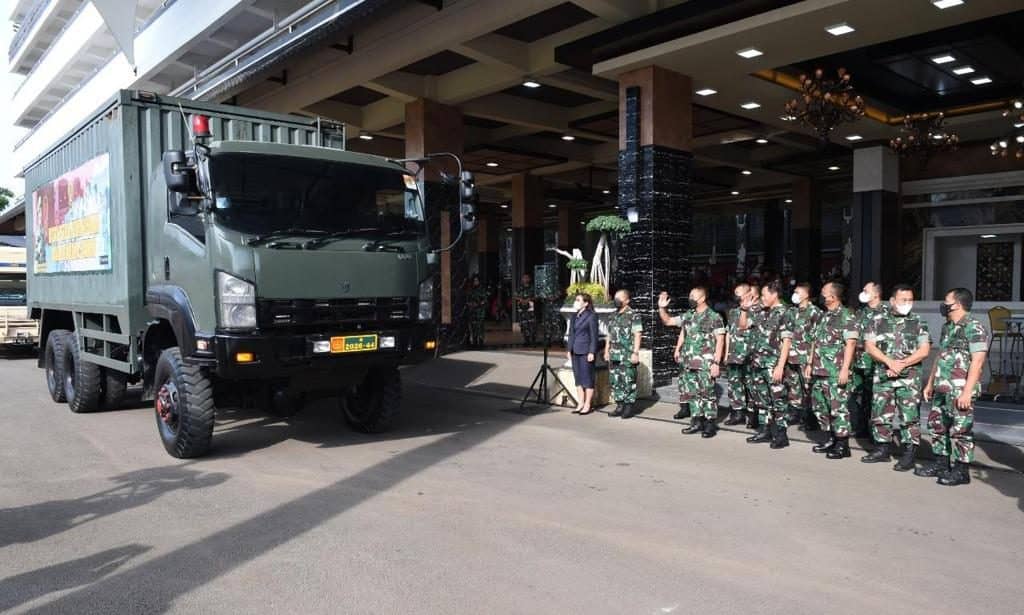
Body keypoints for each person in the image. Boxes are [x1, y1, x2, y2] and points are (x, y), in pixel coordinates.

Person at [916, 288, 989, 486]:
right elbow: (941, 355)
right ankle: (941, 464)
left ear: (957, 304)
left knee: (961, 431)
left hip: (960, 390)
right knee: (937, 427)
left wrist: (967, 392)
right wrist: (930, 382)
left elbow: (978, 361)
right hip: (942, 387)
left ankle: (961, 471)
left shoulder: (974, 327)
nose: (944, 304)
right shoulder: (947, 326)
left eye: (946, 301)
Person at [861, 284, 931, 470]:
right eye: (903, 300)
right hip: (884, 376)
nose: (907, 303)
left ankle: (909, 454)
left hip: (909, 378)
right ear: (892, 301)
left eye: (910, 300)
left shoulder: (918, 321)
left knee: (909, 417)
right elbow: (870, 346)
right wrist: (889, 362)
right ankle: (882, 448)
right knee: (881, 413)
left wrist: (901, 364)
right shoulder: (877, 320)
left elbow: (924, 350)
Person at [661, 288, 726, 438]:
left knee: (707, 393)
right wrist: (662, 308)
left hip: (705, 363)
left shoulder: (714, 317)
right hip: (688, 361)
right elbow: (669, 321)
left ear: (702, 298)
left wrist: (717, 362)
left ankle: (710, 423)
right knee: (692, 393)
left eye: (693, 296)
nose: (690, 298)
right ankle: (696, 421)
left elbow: (720, 341)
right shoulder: (688, 315)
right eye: (690, 295)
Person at [804, 281, 859, 459]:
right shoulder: (823, 316)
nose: (821, 294)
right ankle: (830, 438)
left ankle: (842, 444)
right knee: (820, 406)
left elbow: (850, 344)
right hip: (819, 371)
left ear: (833, 296)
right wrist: (810, 364)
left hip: (835, 371)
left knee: (838, 408)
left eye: (824, 292)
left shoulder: (846, 316)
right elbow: (814, 342)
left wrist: (845, 369)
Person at [743, 280, 793, 448]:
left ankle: (781, 434)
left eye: (764, 295)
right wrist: (744, 309)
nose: (762, 298)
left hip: (773, 363)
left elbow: (787, 341)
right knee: (762, 399)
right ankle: (765, 430)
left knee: (778, 400)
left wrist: (780, 366)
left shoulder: (785, 313)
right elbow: (742, 326)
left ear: (774, 294)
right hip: (757, 362)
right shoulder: (760, 311)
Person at [784, 282, 821, 430]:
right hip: (792, 356)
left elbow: (816, 338)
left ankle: (810, 417)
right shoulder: (792, 312)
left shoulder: (815, 312)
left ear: (806, 294)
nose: (795, 294)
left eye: (797, 292)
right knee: (793, 386)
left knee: (808, 388)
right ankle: (795, 413)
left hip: (806, 356)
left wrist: (812, 360)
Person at [851, 282, 886, 437]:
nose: (863, 293)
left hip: (875, 362)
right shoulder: (861, 312)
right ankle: (862, 427)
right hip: (859, 361)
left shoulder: (887, 312)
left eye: (866, 291)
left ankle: (876, 431)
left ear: (876, 294)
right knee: (860, 395)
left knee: (875, 397)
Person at [604, 289, 643, 419]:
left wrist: (635, 353)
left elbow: (637, 334)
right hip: (614, 354)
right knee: (615, 380)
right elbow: (609, 335)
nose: (616, 300)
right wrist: (606, 350)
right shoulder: (612, 315)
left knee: (628, 380)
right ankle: (619, 405)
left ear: (627, 300)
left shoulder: (633, 315)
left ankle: (628, 407)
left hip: (627, 354)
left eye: (619, 298)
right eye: (615, 297)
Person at [722, 283, 754, 426]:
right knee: (734, 385)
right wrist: (727, 353)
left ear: (748, 293)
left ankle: (753, 415)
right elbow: (729, 333)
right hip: (734, 354)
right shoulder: (733, 312)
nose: (736, 296)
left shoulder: (757, 310)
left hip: (748, 355)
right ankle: (737, 413)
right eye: (735, 293)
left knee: (751, 385)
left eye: (739, 293)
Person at [567, 293, 598, 415]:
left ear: (586, 303)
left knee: (587, 379)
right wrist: (569, 349)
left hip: (586, 351)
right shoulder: (574, 316)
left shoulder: (591, 316)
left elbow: (594, 336)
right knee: (578, 379)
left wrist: (592, 351)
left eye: (578, 300)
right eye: (576, 299)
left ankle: (587, 404)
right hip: (575, 351)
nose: (576, 302)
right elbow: (571, 334)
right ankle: (580, 403)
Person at [465, 275, 488, 349]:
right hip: (472, 312)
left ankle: (481, 342)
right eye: (474, 281)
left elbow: (485, 300)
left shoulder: (482, 290)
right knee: (473, 327)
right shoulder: (470, 290)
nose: (475, 282)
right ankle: (474, 342)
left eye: (477, 281)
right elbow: (467, 301)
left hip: (480, 312)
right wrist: (471, 304)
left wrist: (478, 304)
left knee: (480, 327)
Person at [515, 273, 537, 346]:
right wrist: (521, 299)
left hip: (530, 309)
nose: (525, 279)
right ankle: (526, 340)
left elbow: (536, 297)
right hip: (522, 308)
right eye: (524, 278)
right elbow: (515, 296)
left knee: (532, 324)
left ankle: (533, 340)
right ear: (522, 279)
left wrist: (529, 299)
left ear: (529, 279)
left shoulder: (533, 288)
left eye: (527, 278)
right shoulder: (519, 288)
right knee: (524, 324)